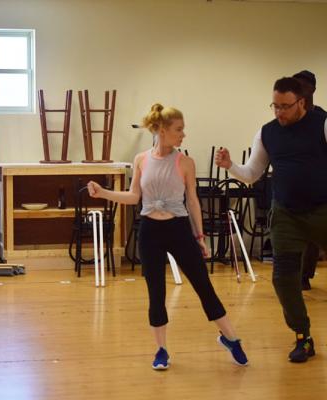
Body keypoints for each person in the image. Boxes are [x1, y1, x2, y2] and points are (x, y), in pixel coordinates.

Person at [87, 103, 248, 370]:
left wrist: (199, 236)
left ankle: (231, 338)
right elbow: (134, 197)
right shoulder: (141, 159)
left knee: (203, 285)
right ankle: (161, 350)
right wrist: (103, 193)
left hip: (179, 229)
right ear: (162, 130)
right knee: (156, 292)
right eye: (178, 129)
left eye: (183, 129)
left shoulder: (185, 162)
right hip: (150, 231)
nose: (183, 134)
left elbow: (193, 201)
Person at [215, 77, 327, 363]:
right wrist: (230, 167)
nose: (279, 112)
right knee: (283, 278)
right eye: (274, 106)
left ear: (301, 102)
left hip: (323, 209)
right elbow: (252, 173)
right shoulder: (267, 133)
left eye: (285, 107)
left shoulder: (322, 124)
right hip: (287, 213)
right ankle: (303, 337)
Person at [292, 70, 327, 291]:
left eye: (302, 86)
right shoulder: (290, 120)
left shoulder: (323, 119)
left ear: (312, 89)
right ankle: (299, 276)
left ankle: (305, 275)